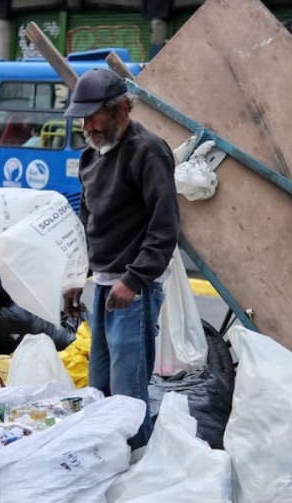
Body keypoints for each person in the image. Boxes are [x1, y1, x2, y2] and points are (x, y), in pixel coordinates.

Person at [61, 69, 179, 449]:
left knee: (128, 396)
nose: (87, 125)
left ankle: (136, 465)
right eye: (83, 117)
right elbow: (87, 222)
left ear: (121, 110)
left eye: (93, 116)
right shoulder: (89, 156)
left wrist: (133, 281)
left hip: (134, 289)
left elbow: (164, 228)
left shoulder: (148, 150)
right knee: (101, 387)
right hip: (106, 284)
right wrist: (78, 275)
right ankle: (109, 463)